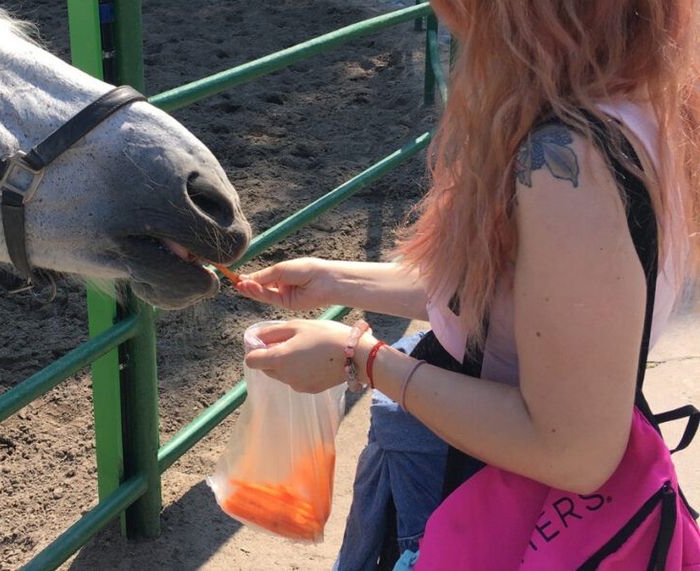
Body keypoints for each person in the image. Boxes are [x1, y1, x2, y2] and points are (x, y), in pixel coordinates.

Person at [234, 0, 700, 568]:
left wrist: (361, 358)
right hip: (487, 468)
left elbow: (574, 451)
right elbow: (517, 307)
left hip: (494, 495)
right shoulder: (642, 97)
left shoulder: (568, 164)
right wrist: (336, 279)